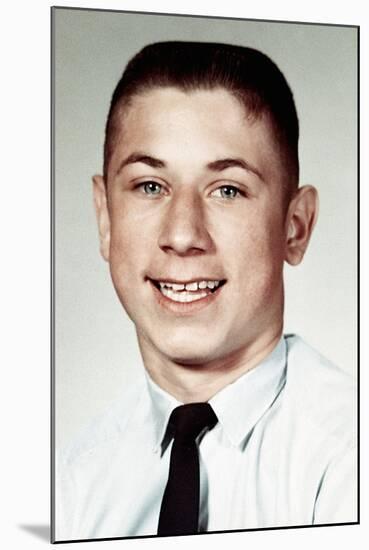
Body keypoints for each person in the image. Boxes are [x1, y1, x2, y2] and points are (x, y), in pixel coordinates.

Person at [55, 41, 357, 542]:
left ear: (295, 227)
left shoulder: (349, 460)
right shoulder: (73, 480)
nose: (182, 234)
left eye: (228, 190)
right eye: (150, 185)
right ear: (105, 218)